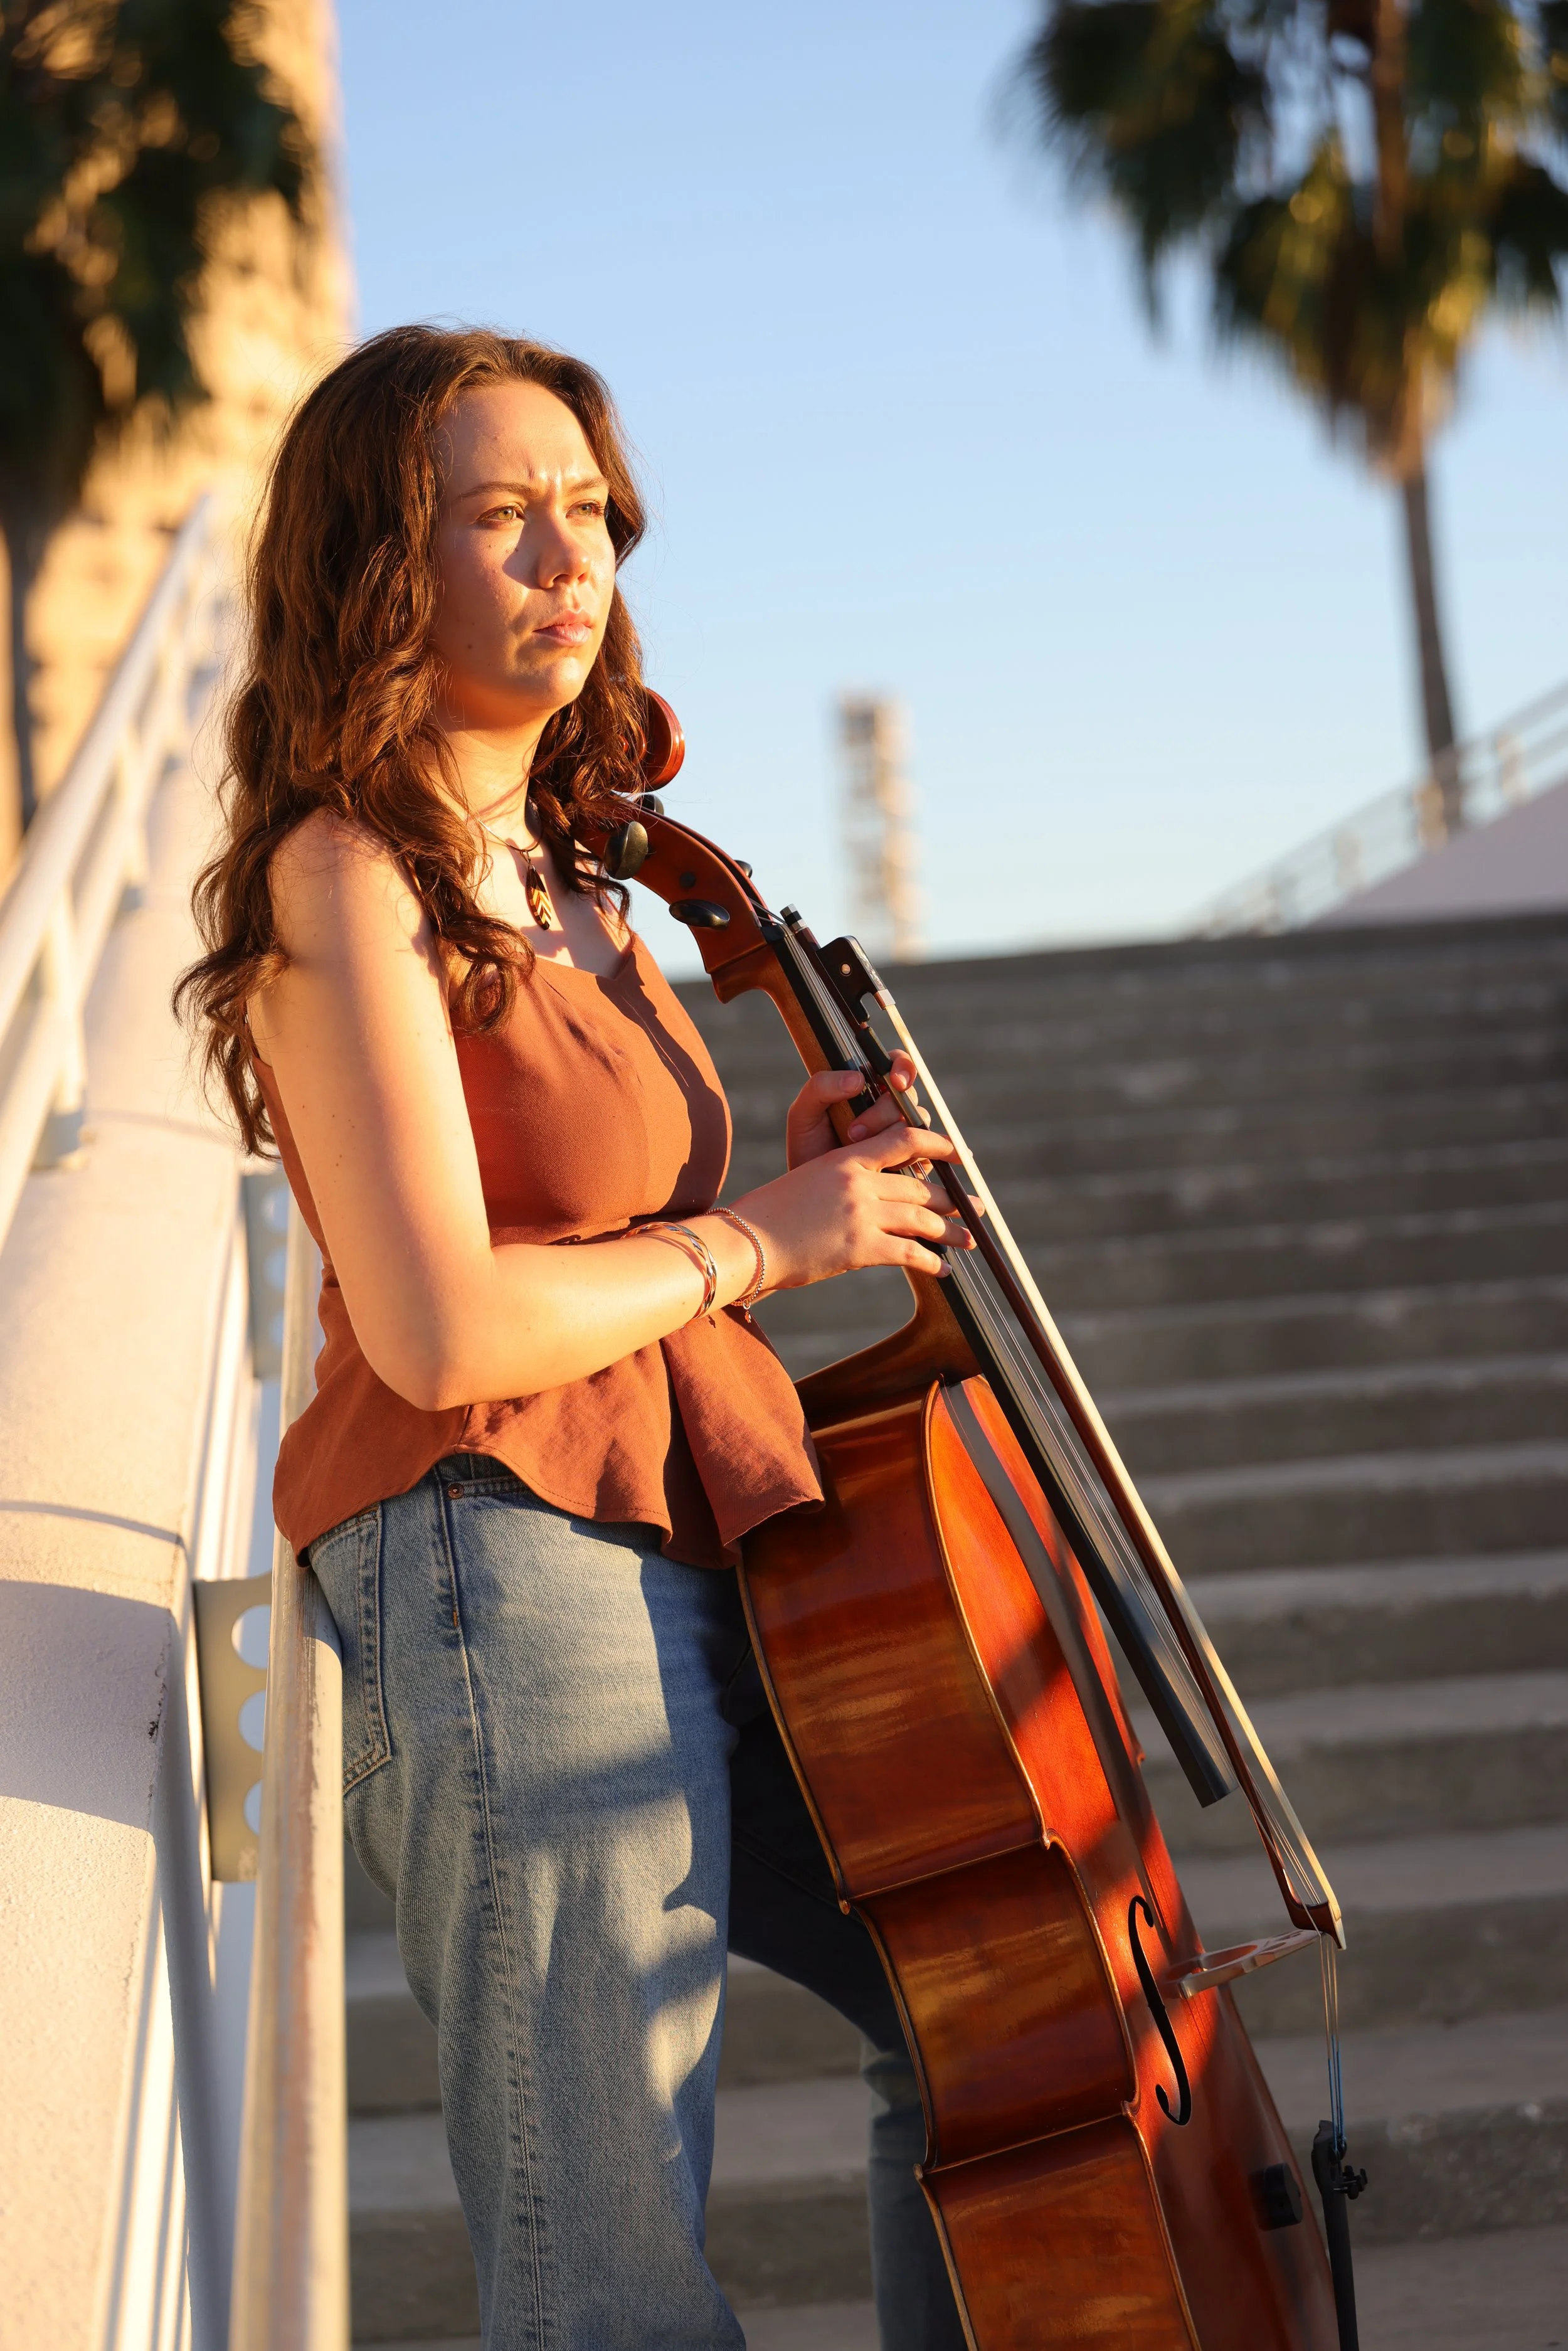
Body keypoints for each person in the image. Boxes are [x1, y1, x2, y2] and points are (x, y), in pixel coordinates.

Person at [178, 324, 973, 2351]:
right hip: (498, 1552)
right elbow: (444, 1324)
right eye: (501, 516)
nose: (571, 555)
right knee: (602, 2238)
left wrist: (762, 1178)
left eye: (588, 512)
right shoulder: (344, 878)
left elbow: (610, 1205)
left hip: (704, 1518)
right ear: (382, 558)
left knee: (983, 2016)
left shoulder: (591, 877)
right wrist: (759, 1237)